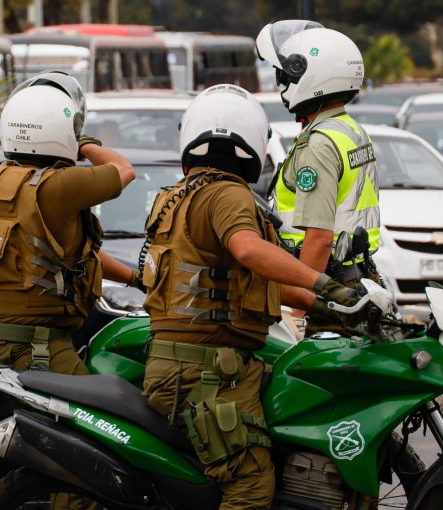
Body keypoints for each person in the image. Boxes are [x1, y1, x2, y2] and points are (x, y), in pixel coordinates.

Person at [138, 84, 370, 509]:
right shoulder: (227, 193)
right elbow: (248, 250)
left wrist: (334, 306)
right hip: (206, 372)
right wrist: (324, 284)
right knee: (251, 485)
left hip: (190, 363)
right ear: (254, 141)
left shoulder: (178, 195)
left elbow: (253, 280)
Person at [0, 71, 138, 374]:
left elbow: (69, 254)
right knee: (101, 403)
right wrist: (83, 143)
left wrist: (134, 278)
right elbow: (123, 169)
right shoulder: (59, 185)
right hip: (39, 348)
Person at [255, 21, 380, 312]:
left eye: (284, 75)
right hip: (352, 276)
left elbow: (320, 238)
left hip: (321, 284)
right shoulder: (350, 129)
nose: (281, 84)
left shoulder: (319, 144)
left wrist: (300, 312)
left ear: (307, 75)